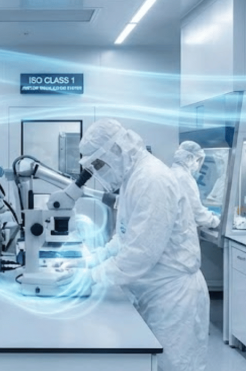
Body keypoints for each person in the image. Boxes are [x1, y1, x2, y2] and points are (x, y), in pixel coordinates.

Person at [80, 119, 208, 371]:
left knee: (174, 366)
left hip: (172, 298)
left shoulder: (152, 179)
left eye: (99, 164)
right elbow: (124, 238)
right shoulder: (132, 178)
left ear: (117, 149)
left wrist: (92, 277)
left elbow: (140, 255)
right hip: (152, 292)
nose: (99, 172)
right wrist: (93, 260)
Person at [171, 141, 220, 230]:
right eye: (198, 160)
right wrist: (214, 221)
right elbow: (196, 210)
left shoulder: (172, 171)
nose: (198, 164)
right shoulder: (184, 177)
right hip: (182, 231)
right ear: (189, 157)